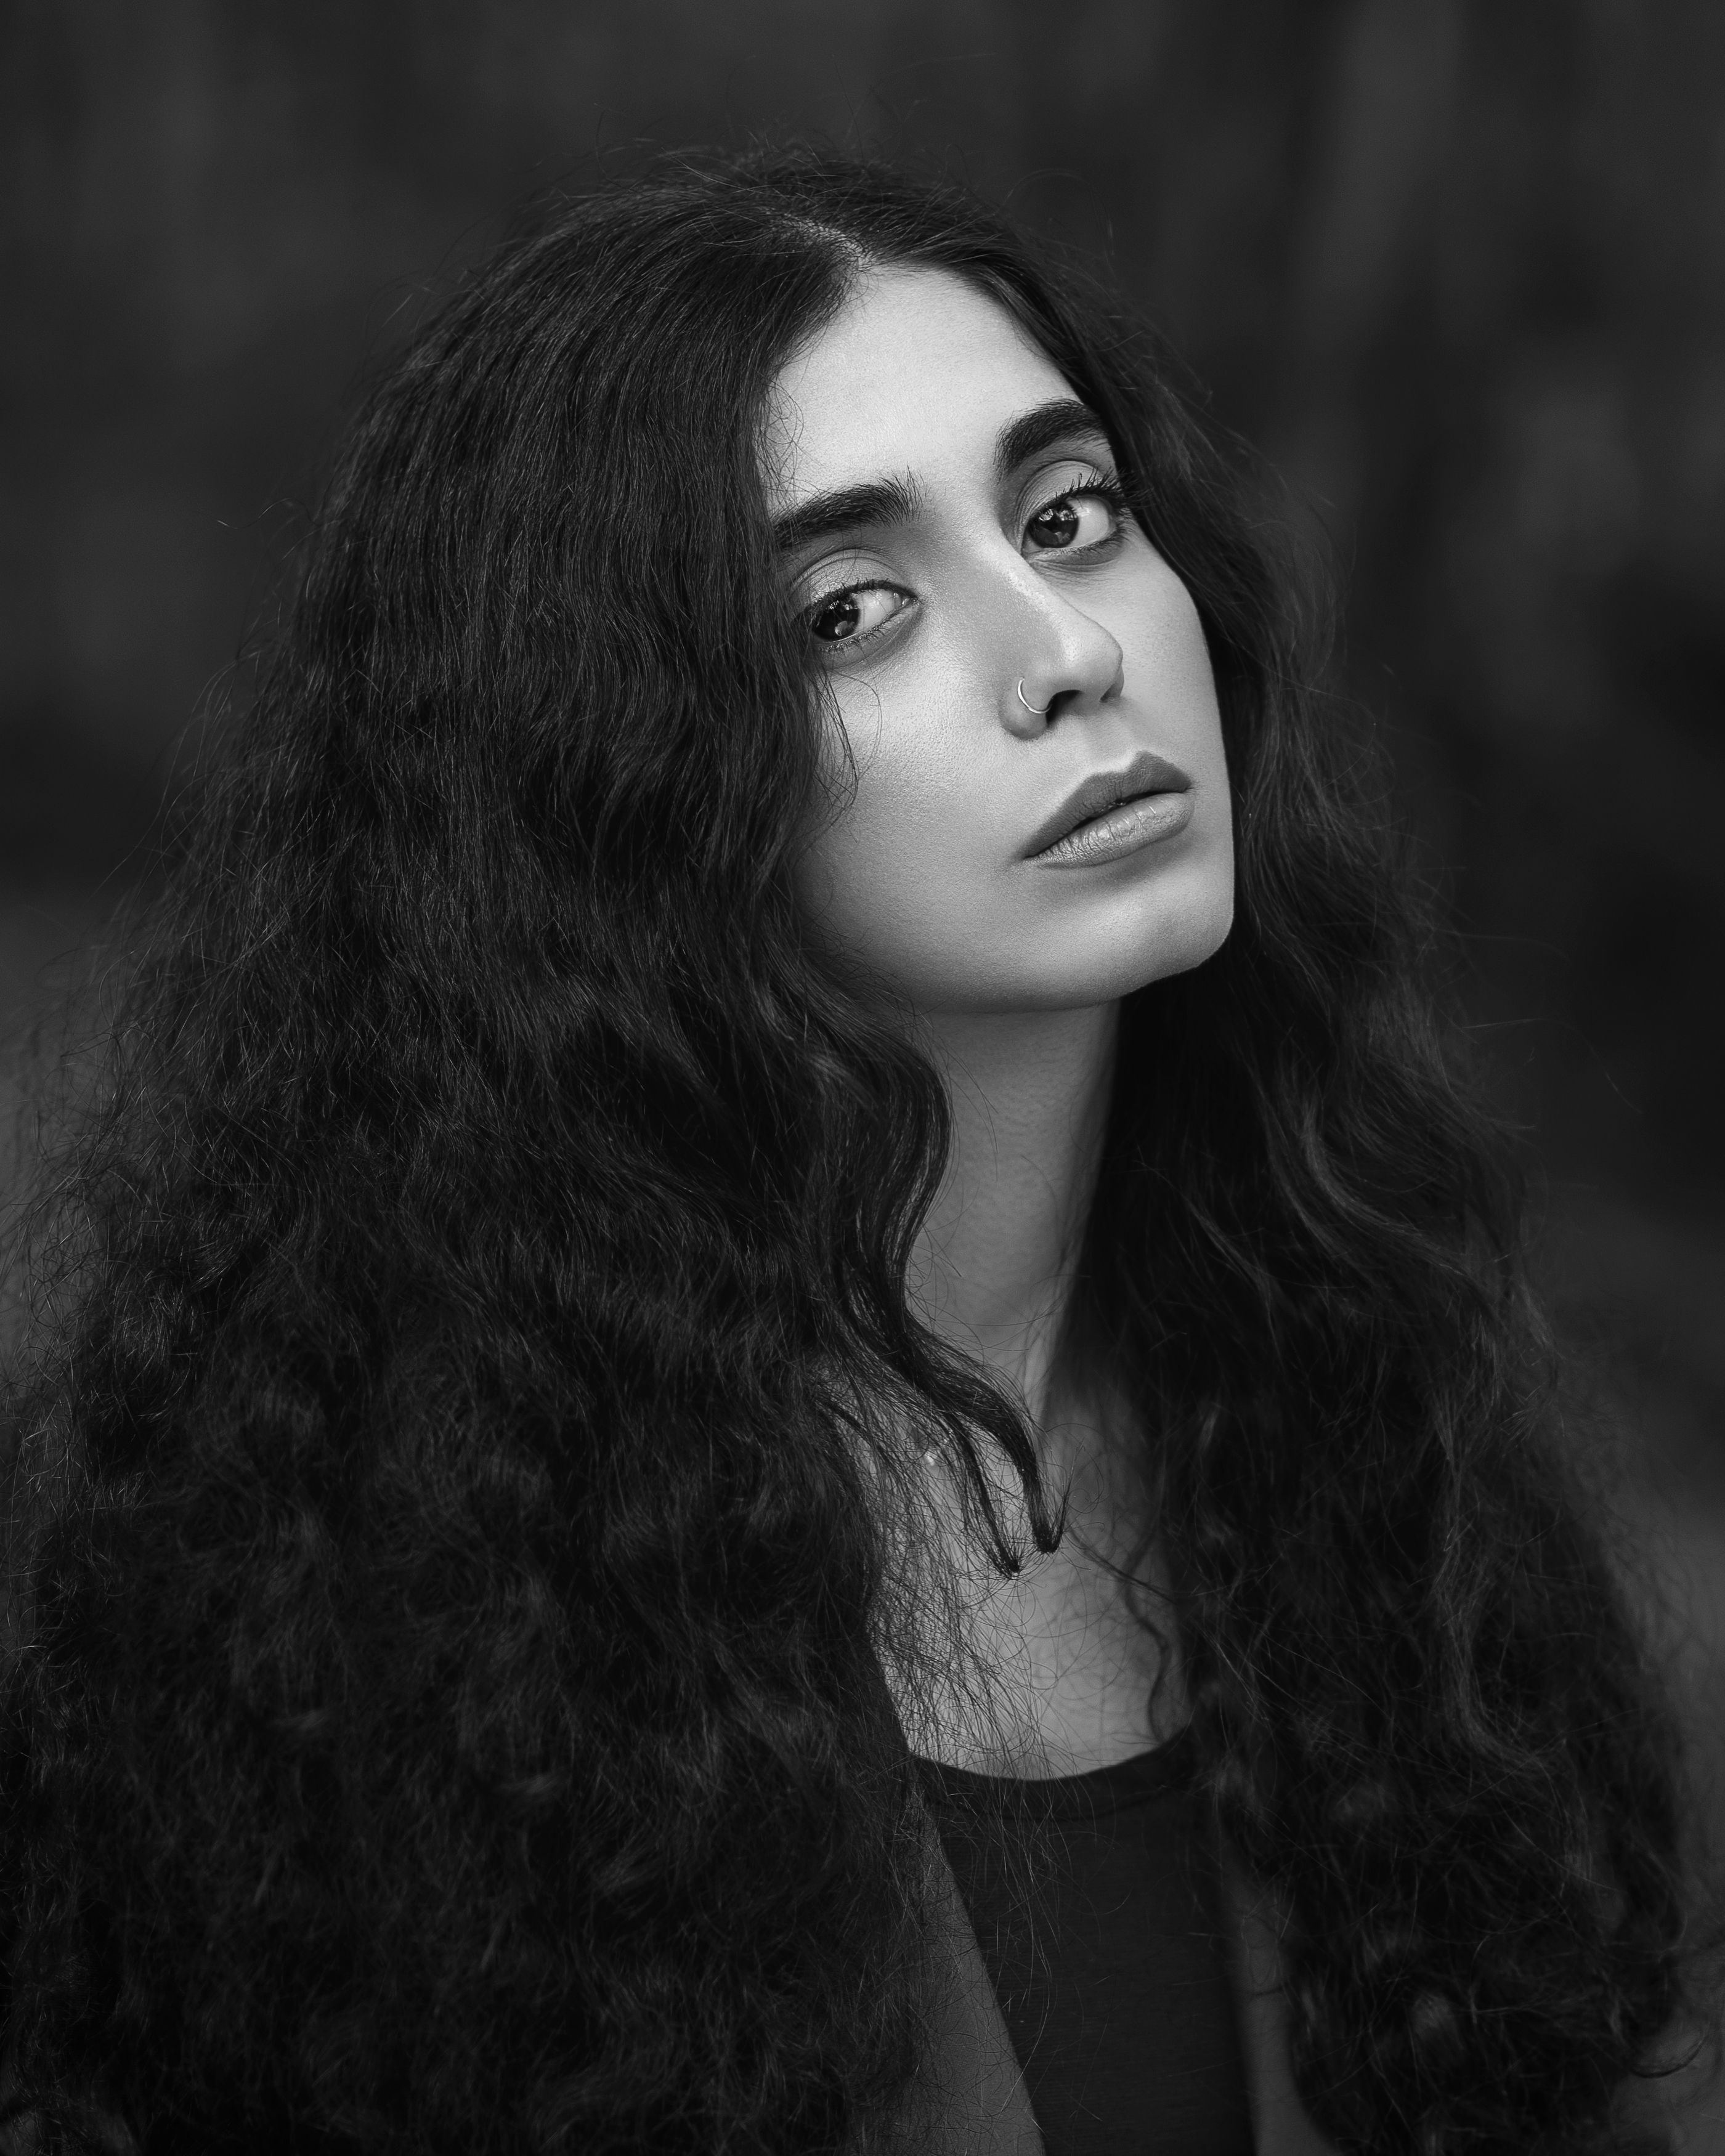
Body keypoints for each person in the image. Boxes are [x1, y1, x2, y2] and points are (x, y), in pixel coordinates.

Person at [0, 147, 1712, 2156]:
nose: (1065, 649)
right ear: (625, 785)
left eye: (1069, 516)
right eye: (850, 611)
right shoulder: (378, 1602)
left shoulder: (1371, 1404)